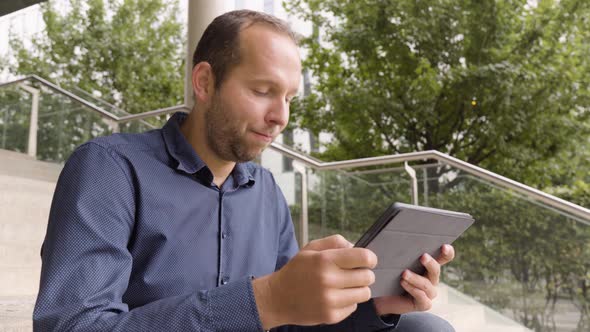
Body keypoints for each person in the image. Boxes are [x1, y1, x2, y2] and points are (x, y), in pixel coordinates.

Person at [33, 9, 456, 332]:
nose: (280, 117)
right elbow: (73, 324)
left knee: (424, 326)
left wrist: (373, 304)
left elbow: (290, 320)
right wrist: (263, 299)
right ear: (204, 82)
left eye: (290, 98)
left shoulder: (266, 190)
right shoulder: (110, 169)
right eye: (262, 91)